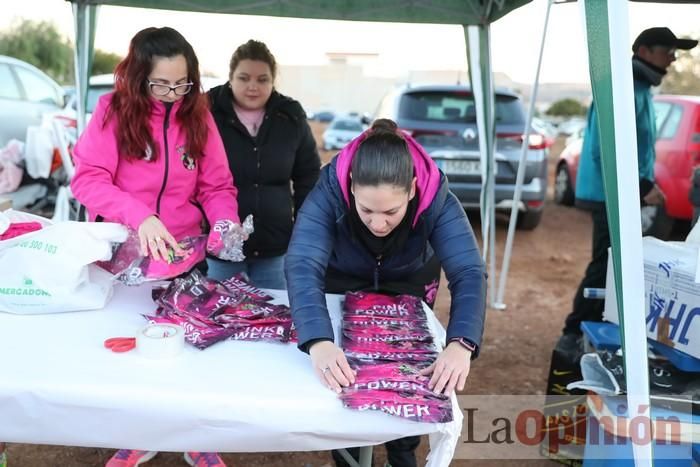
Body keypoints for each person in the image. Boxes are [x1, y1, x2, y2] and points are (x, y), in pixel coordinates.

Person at [71, 26, 241, 467]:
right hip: (123, 256)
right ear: (139, 74)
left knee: (186, 348)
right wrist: (139, 215)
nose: (172, 94)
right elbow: (87, 179)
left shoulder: (196, 113)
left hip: (184, 257)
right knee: (130, 351)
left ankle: (196, 436)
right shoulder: (112, 110)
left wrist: (225, 219)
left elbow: (217, 184)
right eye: (161, 83)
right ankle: (138, 434)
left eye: (182, 83)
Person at [285, 119, 486, 467]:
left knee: (410, 369)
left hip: (409, 281)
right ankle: (348, 453)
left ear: (411, 189)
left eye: (391, 212)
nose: (378, 224)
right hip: (344, 279)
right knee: (344, 372)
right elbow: (303, 262)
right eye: (366, 210)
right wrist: (318, 340)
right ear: (350, 187)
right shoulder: (328, 190)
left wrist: (461, 343)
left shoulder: (437, 196)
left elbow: (469, 271)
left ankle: (402, 450)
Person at [555, 27, 698, 358]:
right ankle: (573, 332)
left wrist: (646, 182)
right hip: (610, 191)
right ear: (645, 51)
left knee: (615, 261)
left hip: (621, 189)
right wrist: (643, 185)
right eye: (668, 50)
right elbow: (610, 145)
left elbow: (637, 144)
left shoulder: (640, 84)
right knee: (607, 262)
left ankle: (595, 328)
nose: (673, 58)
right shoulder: (623, 85)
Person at [207, 39, 321, 288]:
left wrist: (305, 229)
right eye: (244, 77)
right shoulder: (207, 111)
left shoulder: (290, 115)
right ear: (230, 77)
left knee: (274, 317)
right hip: (220, 248)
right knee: (218, 318)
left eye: (262, 79)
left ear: (273, 81)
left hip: (275, 248)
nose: (252, 87)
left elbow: (308, 176)